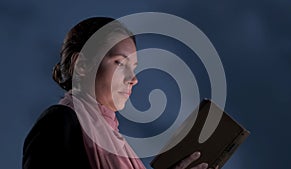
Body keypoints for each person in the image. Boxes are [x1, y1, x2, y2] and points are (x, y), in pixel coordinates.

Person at [22, 17, 215, 169]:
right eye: (120, 63)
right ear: (82, 65)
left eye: (134, 67)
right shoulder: (58, 122)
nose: (134, 78)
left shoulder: (118, 145)